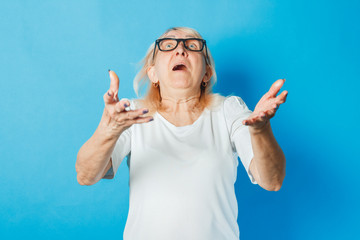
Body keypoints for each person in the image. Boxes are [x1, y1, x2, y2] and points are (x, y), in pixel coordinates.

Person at [76, 26, 288, 240]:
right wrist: (108, 130)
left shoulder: (228, 110)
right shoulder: (132, 113)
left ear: (207, 73)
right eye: (168, 45)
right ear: (153, 73)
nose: (180, 51)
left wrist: (261, 129)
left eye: (192, 46)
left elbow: (272, 180)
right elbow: (86, 175)